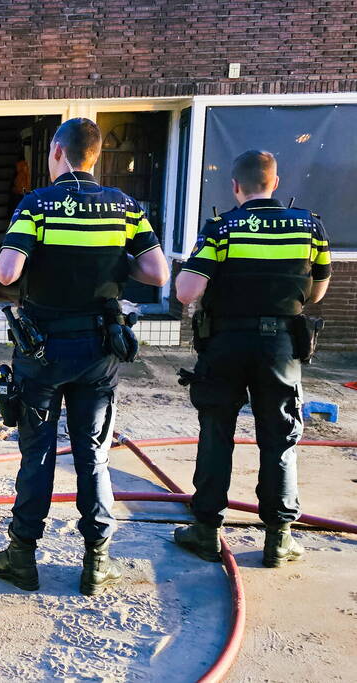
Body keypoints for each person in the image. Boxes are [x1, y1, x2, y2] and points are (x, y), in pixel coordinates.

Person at [0, 117, 170, 595]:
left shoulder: (37, 203)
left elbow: (6, 273)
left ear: (59, 153)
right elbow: (157, 273)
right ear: (96, 157)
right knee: (92, 455)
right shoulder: (125, 207)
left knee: (37, 454)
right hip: (97, 351)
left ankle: (22, 556)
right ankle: (96, 562)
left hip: (42, 352)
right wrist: (108, 261)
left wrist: (41, 254)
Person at [173, 150, 331, 568]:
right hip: (281, 346)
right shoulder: (309, 227)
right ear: (274, 183)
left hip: (225, 343)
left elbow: (187, 292)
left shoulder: (222, 228)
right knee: (280, 437)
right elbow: (316, 292)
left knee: (216, 433)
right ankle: (279, 538)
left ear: (235, 186)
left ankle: (206, 530)